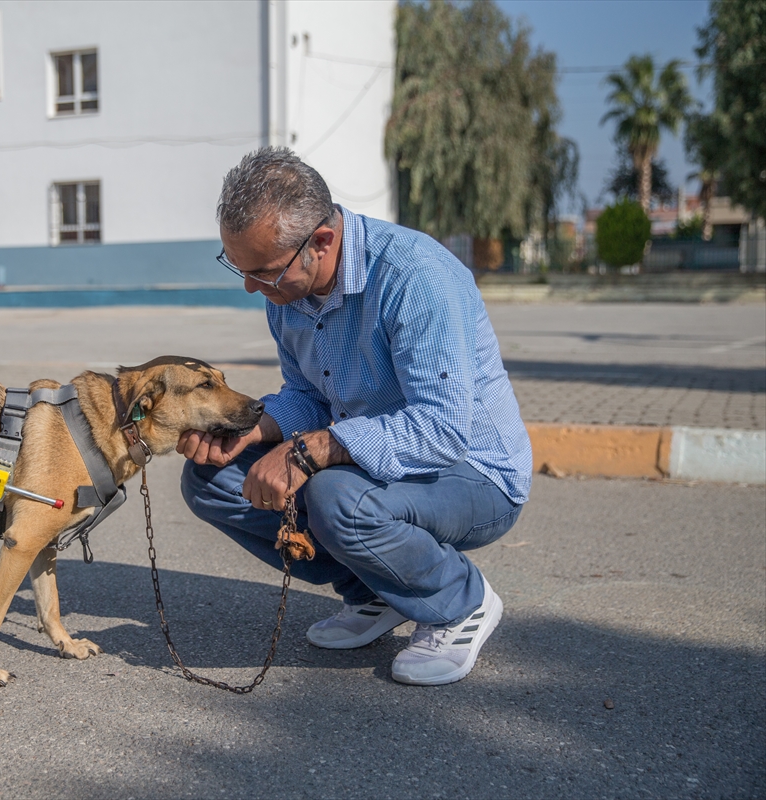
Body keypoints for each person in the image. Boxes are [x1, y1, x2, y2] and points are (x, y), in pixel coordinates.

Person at [178, 148, 532, 686]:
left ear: (321, 243)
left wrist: (306, 451)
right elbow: (308, 396)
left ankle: (460, 602)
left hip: (474, 472)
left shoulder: (415, 277)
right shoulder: (287, 287)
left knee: (334, 497)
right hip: (371, 462)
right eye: (239, 268)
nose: (252, 288)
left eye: (262, 273)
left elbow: (443, 430)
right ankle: (376, 590)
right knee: (210, 479)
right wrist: (257, 426)